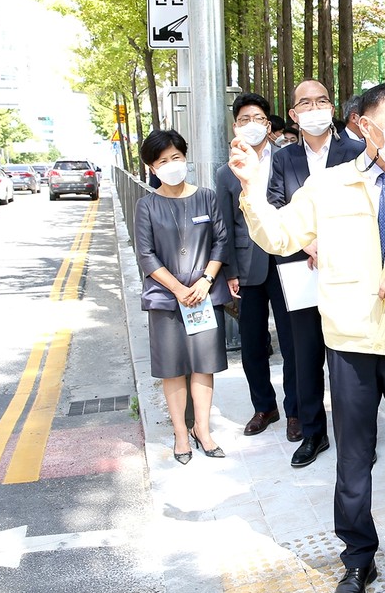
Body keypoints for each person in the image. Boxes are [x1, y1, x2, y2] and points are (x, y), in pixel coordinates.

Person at [233, 81, 385, 593]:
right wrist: (251, 188)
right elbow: (279, 236)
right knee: (353, 459)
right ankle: (357, 557)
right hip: (352, 339)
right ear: (365, 124)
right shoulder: (329, 185)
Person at [266, 79, 367, 468]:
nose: (314, 108)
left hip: (348, 270)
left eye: (321, 101)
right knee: (304, 355)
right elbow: (275, 205)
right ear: (293, 114)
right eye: (305, 103)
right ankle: (313, 433)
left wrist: (333, 243)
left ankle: (356, 435)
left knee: (349, 359)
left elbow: (369, 204)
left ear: (332, 106)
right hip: (301, 270)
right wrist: (308, 242)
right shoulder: (283, 157)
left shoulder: (356, 150)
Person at [133, 129, 231, 464]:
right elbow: (146, 255)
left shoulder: (206, 196)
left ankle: (202, 430)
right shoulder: (146, 205)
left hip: (204, 296)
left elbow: (221, 241)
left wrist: (205, 281)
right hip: (165, 299)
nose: (172, 165)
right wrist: (177, 289)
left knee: (204, 367)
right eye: (163, 161)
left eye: (176, 157)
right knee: (173, 368)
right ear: (152, 167)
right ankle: (180, 434)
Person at [217, 92, 299, 440]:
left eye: (258, 119)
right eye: (244, 120)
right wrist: (230, 270)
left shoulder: (288, 160)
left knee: (295, 343)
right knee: (252, 343)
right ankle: (264, 406)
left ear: (269, 124)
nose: (251, 125)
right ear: (236, 126)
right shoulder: (226, 172)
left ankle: (296, 409)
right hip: (248, 267)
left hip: (288, 263)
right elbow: (224, 223)